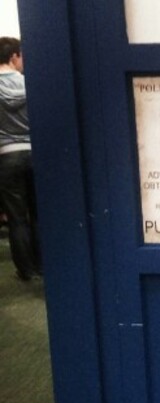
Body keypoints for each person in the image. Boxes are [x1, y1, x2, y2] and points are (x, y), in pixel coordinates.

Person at [0, 37, 40, 281]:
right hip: (35, 152)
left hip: (6, 156)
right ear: (14, 56)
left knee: (17, 218)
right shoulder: (30, 84)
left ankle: (25, 270)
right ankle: (43, 264)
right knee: (38, 214)